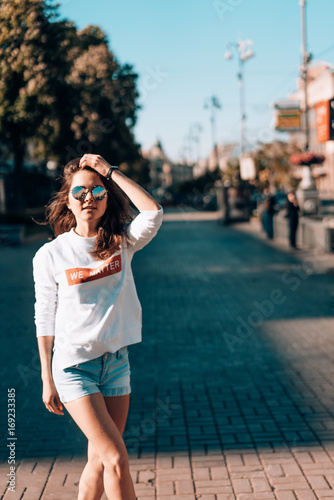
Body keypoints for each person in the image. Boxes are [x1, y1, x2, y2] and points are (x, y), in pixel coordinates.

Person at [33, 154, 163, 500]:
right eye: (80, 192)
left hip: (116, 364)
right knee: (116, 457)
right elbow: (44, 317)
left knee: (101, 460)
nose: (89, 197)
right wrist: (47, 377)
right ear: (68, 201)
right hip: (74, 368)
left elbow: (152, 213)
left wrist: (110, 171)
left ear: (108, 199)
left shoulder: (122, 241)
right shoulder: (51, 255)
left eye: (98, 192)